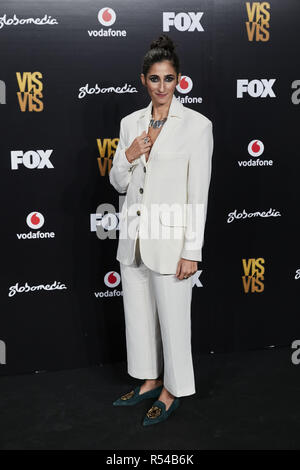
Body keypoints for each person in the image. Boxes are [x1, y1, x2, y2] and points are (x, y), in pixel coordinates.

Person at [109, 34, 214, 426]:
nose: (162, 87)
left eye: (169, 79)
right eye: (154, 79)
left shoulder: (197, 126)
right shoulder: (129, 123)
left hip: (172, 242)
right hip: (133, 237)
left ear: (179, 80)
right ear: (144, 80)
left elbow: (197, 192)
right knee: (138, 315)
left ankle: (173, 389)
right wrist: (129, 155)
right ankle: (149, 379)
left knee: (173, 321)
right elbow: (118, 182)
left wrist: (192, 249)